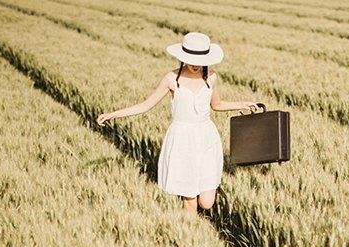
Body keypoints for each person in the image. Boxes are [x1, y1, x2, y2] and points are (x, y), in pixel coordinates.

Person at [96, 32, 258, 216]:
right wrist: (113, 114)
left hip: (206, 139)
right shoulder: (171, 79)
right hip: (182, 140)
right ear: (183, 57)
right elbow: (146, 105)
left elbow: (217, 105)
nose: (195, 64)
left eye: (200, 59)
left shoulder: (211, 77)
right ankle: (193, 234)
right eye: (191, 59)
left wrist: (243, 105)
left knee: (206, 202)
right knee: (189, 198)